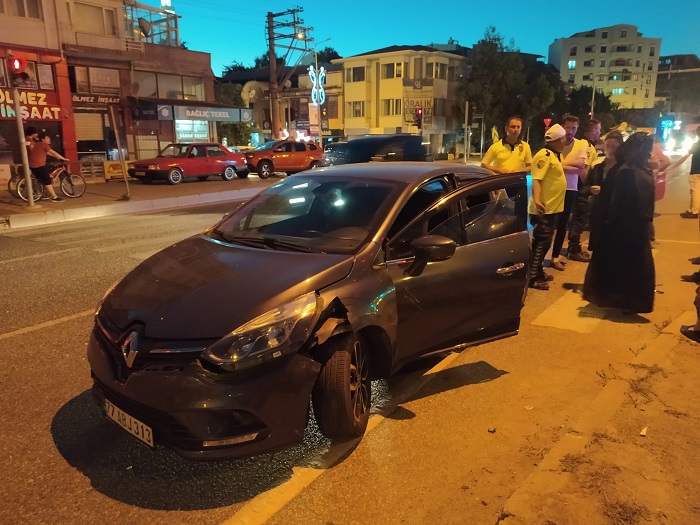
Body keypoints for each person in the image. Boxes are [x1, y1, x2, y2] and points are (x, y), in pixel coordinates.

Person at [583, 132, 656, 314]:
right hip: (628, 227)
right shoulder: (630, 170)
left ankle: (625, 299)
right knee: (631, 265)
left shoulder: (630, 169)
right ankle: (626, 300)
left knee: (626, 265)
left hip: (626, 227)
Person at [528, 123, 568, 290]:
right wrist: (537, 201)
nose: (566, 140)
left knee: (545, 241)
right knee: (541, 242)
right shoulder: (544, 155)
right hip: (544, 208)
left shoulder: (554, 154)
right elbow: (536, 179)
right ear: (558, 140)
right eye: (564, 137)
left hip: (552, 207)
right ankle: (532, 277)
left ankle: (538, 271)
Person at [549, 115, 589, 271]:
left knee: (562, 225)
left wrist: (558, 164)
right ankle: (540, 257)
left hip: (570, 188)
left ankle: (555, 257)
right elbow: (550, 163)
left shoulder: (581, 145)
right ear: (562, 126)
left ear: (577, 128)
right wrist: (569, 165)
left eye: (574, 128)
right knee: (548, 225)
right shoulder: (556, 143)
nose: (570, 131)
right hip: (553, 188)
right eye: (567, 127)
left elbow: (580, 168)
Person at [566, 119, 601, 255]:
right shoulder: (585, 145)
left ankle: (574, 245)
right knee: (580, 216)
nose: (599, 132)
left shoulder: (589, 145)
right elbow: (583, 168)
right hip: (581, 186)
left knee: (580, 216)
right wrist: (587, 186)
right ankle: (573, 247)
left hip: (580, 186)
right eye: (598, 130)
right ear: (593, 131)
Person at [587, 130, 624, 252]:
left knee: (612, 248)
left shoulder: (623, 169)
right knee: (598, 247)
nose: (610, 149)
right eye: (608, 145)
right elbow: (585, 186)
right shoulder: (598, 167)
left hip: (615, 214)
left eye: (614, 146)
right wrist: (591, 190)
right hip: (598, 212)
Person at [663, 127, 700, 218]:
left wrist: (672, 168)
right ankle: (694, 209)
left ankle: (694, 211)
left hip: (696, 171)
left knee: (695, 191)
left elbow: (684, 158)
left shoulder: (696, 145)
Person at [28, 132, 69, 202]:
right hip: (38, 165)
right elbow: (54, 152)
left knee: (45, 177)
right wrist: (64, 159)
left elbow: (50, 154)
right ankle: (54, 197)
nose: (49, 139)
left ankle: (44, 194)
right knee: (47, 180)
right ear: (42, 139)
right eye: (47, 138)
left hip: (33, 165)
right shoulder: (44, 144)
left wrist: (58, 158)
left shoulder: (37, 145)